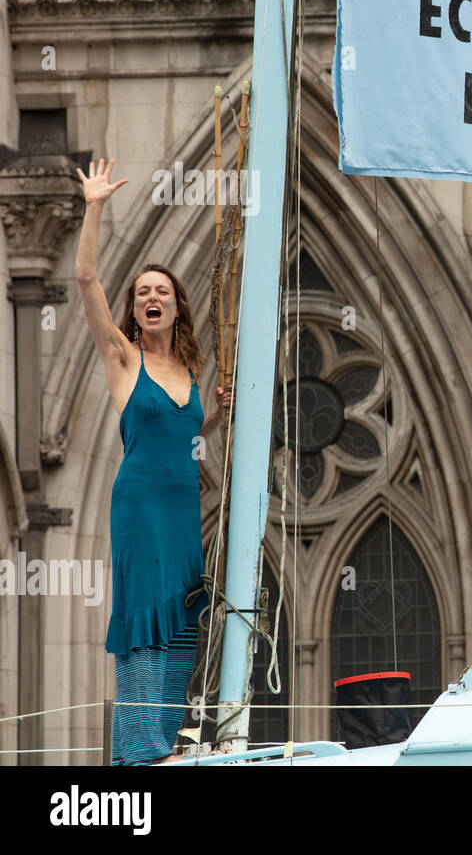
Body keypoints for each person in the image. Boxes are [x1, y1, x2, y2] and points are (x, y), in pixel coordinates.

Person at [74, 157, 233, 765]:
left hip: (182, 511)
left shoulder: (190, 373)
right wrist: (95, 206)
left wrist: (215, 413)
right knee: (145, 624)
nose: (149, 297)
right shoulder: (123, 361)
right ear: (136, 312)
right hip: (139, 511)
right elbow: (87, 280)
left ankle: (165, 743)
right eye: (142, 293)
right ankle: (138, 757)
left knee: (183, 622)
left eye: (160, 291)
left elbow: (183, 437)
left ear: (176, 306)